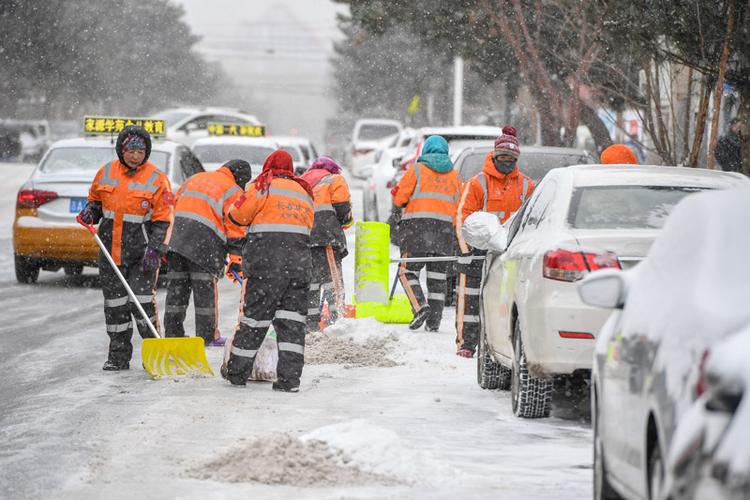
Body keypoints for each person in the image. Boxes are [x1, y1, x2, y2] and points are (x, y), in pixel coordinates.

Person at [76, 126, 173, 371]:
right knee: (115, 306)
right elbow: (96, 202)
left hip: (141, 255)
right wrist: (90, 211)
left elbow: (163, 219)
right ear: (121, 149)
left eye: (141, 150)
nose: (135, 155)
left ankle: (154, 357)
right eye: (131, 149)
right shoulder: (106, 172)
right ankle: (118, 357)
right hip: (109, 252)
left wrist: (155, 249)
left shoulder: (157, 179)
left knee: (142, 305)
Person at [223, 150, 314, 392]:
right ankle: (289, 380)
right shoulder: (304, 191)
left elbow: (236, 215)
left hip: (266, 267)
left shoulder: (262, 186)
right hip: (299, 268)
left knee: (254, 320)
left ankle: (237, 374)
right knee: (292, 324)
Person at [455, 126, 534, 358]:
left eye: (511, 158)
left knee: (504, 301)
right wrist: (465, 250)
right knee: (470, 298)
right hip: (479, 251)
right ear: (494, 156)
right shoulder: (477, 183)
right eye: (502, 157)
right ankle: (466, 343)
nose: (506, 161)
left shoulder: (528, 186)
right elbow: (462, 216)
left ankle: (498, 343)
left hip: (510, 253)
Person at [163, 159, 251, 346]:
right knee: (204, 293)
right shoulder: (233, 190)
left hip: (176, 241)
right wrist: (236, 258)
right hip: (205, 245)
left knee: (176, 291)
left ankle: (172, 333)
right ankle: (207, 336)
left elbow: (171, 204)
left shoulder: (195, 178)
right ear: (240, 178)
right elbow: (235, 225)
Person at [391, 135, 461, 331]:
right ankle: (434, 323)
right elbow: (459, 206)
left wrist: (397, 205)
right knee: (438, 278)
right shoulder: (455, 175)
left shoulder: (417, 170)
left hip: (416, 228)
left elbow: (400, 198)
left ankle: (420, 306)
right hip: (445, 232)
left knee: (407, 271)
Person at [300, 156, 352, 331]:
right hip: (326, 235)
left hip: (305, 236)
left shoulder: (302, 180)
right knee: (333, 278)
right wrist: (345, 221)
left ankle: (311, 321)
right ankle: (337, 319)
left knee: (312, 280)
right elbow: (343, 207)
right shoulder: (334, 179)